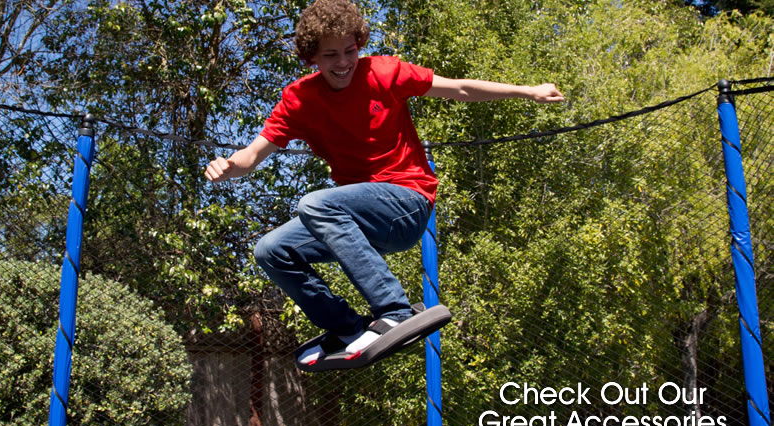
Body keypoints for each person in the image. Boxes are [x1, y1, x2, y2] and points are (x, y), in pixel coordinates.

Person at [204, 0, 563, 366]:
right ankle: (346, 328)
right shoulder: (300, 100)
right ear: (312, 56)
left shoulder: (384, 72)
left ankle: (394, 309)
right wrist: (228, 165)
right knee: (271, 250)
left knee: (315, 203)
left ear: (360, 44)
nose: (343, 62)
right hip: (356, 221)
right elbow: (250, 157)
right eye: (331, 55)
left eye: (350, 51)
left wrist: (527, 91)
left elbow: (459, 88)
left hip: (407, 203)